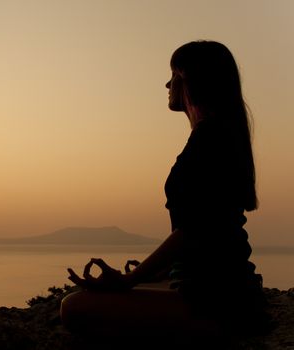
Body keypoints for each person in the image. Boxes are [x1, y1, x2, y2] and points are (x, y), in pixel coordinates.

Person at [60, 41, 267, 343]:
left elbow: (193, 231)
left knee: (74, 307)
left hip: (216, 303)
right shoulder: (217, 137)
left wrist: (131, 279)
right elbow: (211, 231)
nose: (168, 84)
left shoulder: (209, 141)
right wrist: (154, 272)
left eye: (173, 74)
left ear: (190, 78)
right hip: (227, 291)